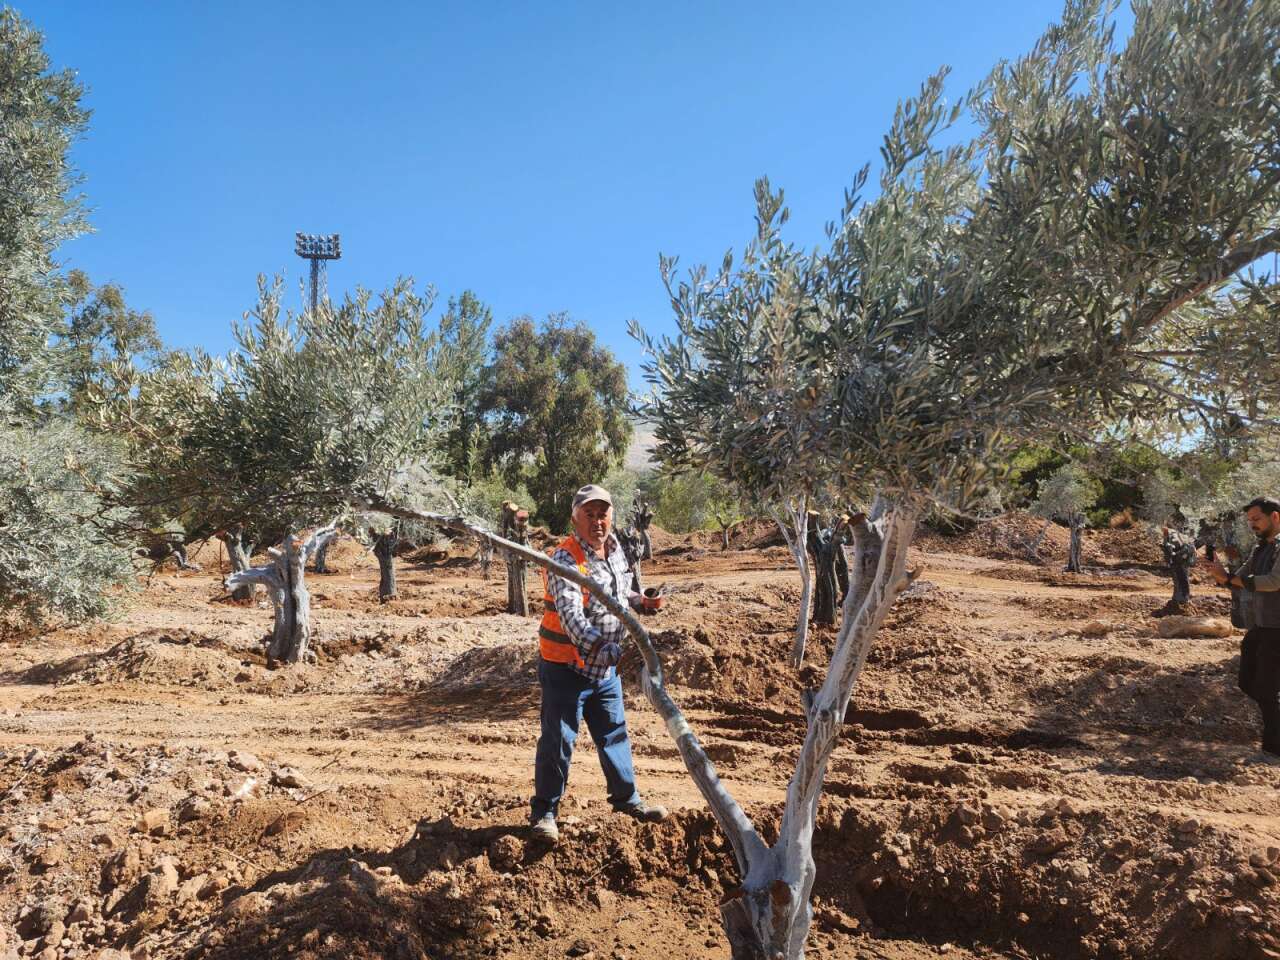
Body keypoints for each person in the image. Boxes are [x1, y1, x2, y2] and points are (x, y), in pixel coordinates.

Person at [529, 484, 668, 842]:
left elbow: (618, 595)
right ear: (575, 519)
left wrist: (641, 602)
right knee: (558, 741)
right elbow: (573, 617)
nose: (597, 521)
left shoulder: (617, 551)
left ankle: (627, 801)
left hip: (604, 669)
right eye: (588, 514)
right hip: (567, 667)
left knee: (614, 734)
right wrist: (599, 647)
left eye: (602, 513)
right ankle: (545, 812)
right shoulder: (564, 559)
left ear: (611, 516)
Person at [1207, 497, 1280, 761]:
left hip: (1277, 630)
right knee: (1248, 682)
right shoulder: (1260, 549)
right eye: (1249, 521)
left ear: (1275, 517)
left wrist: (1231, 578)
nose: (1252, 525)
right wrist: (1221, 574)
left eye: (1256, 519)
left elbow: (1273, 582)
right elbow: (1240, 578)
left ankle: (1273, 749)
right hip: (1262, 627)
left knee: (1268, 689)